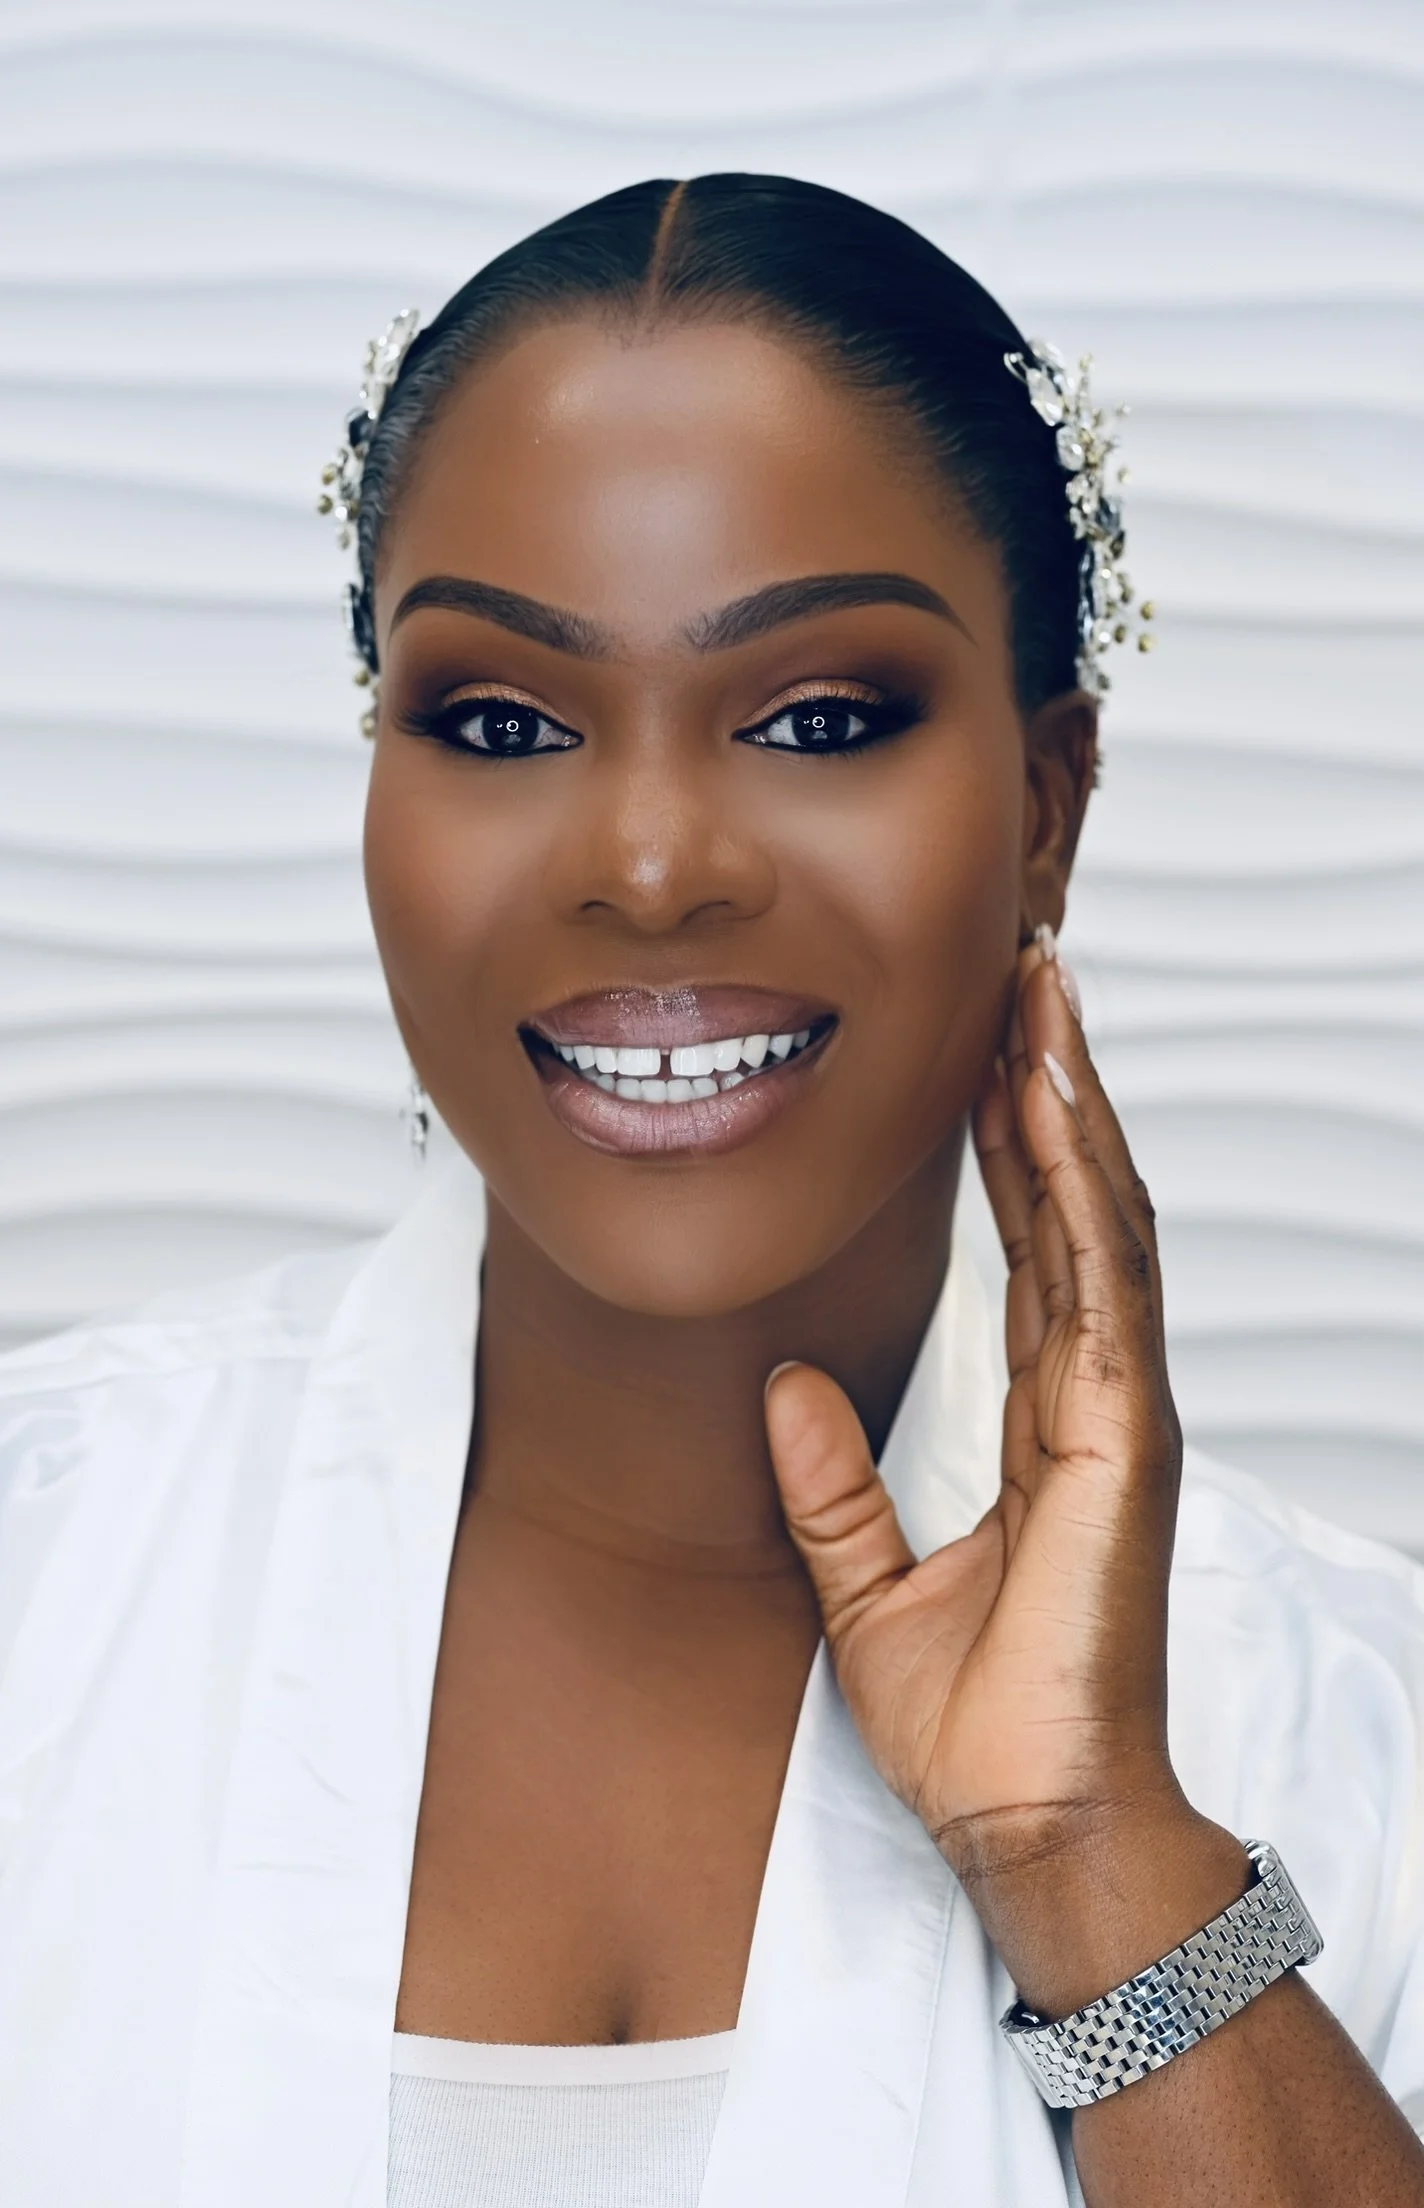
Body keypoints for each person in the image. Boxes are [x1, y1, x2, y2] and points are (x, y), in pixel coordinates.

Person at [1, 174, 1422, 2208]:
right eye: (499, 720)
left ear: (1048, 809)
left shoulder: (1361, 1733)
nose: (652, 861)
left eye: (818, 718)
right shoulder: (41, 1587)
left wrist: (1089, 1850)